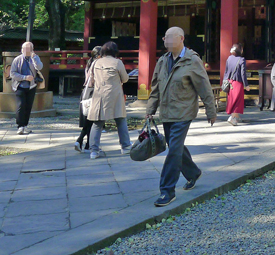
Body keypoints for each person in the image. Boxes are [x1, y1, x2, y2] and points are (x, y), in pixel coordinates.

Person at [146, 26, 217, 207]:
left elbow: (204, 86)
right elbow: (156, 88)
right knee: (175, 146)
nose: (166, 41)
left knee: (173, 151)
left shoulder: (192, 60)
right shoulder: (162, 61)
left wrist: (211, 110)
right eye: (165, 38)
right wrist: (150, 109)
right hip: (167, 112)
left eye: (170, 38)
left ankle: (167, 190)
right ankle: (193, 173)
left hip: (184, 111)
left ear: (181, 39)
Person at [87, 41, 132, 159]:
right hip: (115, 95)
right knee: (121, 120)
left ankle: (94, 150)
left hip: (99, 95)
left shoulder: (96, 62)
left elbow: (91, 80)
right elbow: (125, 79)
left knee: (97, 123)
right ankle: (126, 146)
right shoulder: (118, 62)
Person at [9, 42, 43, 135]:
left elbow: (40, 67)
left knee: (28, 106)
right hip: (19, 86)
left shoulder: (35, 58)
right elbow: (12, 73)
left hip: (31, 86)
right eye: (24, 49)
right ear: (21, 49)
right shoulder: (17, 60)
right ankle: (20, 126)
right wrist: (24, 77)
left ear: (32, 50)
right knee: (21, 105)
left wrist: (35, 58)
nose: (26, 51)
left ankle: (25, 125)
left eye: (29, 49)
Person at [74, 45, 102, 153]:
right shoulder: (97, 64)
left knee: (89, 120)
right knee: (91, 120)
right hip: (92, 92)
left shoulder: (89, 62)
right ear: (99, 55)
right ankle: (80, 140)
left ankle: (87, 144)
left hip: (86, 92)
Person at [224, 43, 248, 126]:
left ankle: (236, 117)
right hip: (238, 83)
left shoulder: (229, 58)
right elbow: (243, 74)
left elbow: (226, 71)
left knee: (232, 100)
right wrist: (246, 85)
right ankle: (233, 118)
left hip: (230, 82)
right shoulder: (241, 60)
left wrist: (225, 81)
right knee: (237, 101)